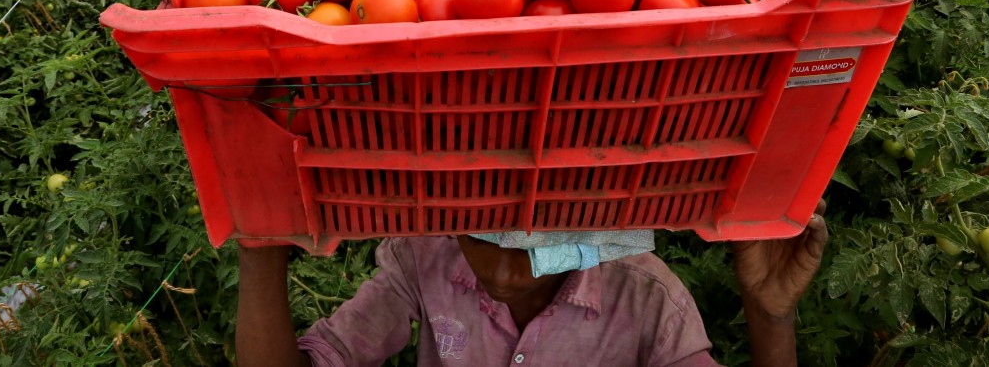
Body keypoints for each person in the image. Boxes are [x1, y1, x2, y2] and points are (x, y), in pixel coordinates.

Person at [236, 200, 828, 367]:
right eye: (478, 236)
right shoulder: (425, 261)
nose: (499, 274)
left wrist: (770, 318)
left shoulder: (647, 302)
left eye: (534, 246)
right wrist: (260, 242)